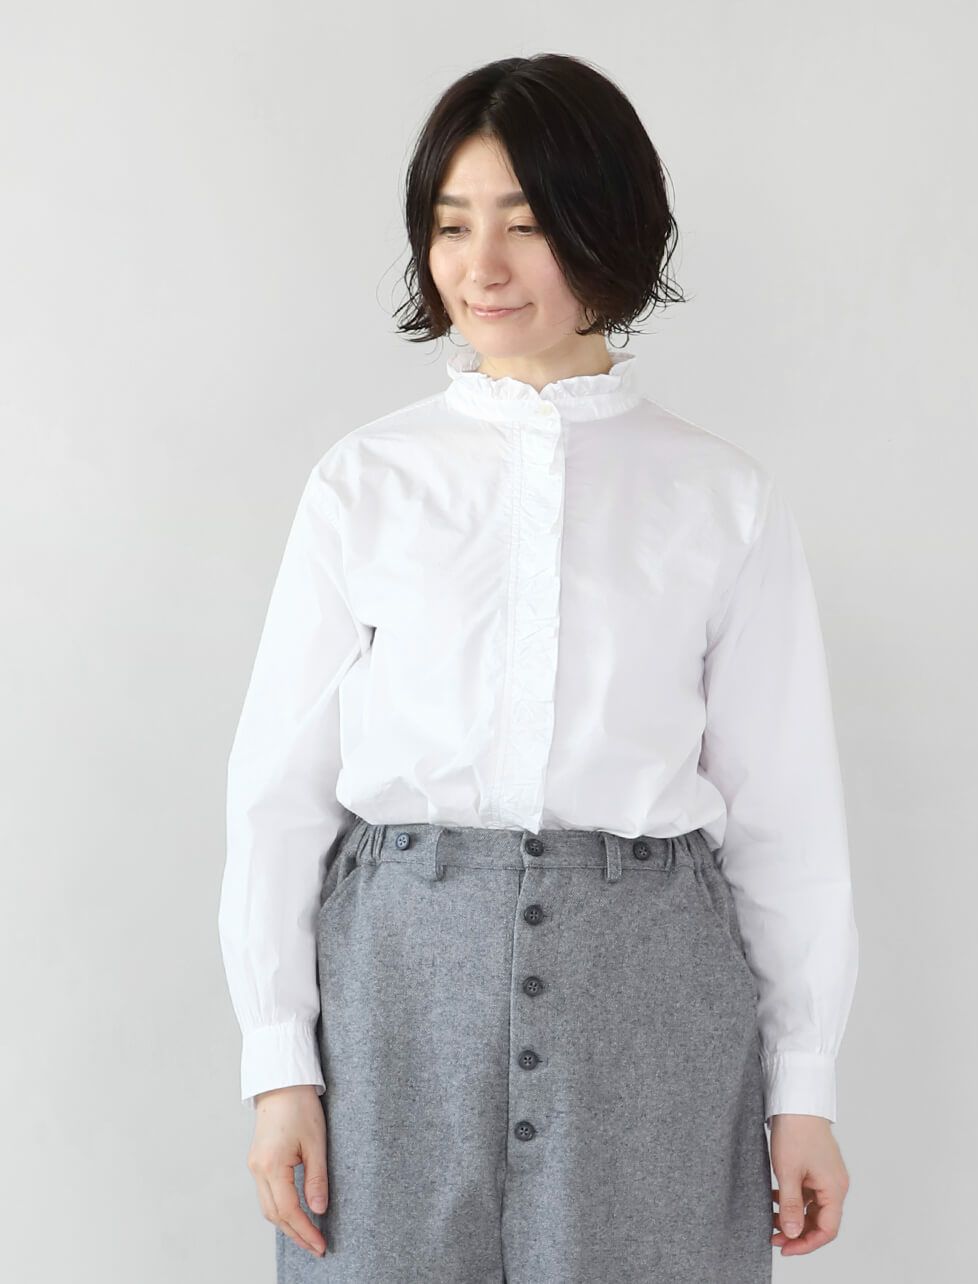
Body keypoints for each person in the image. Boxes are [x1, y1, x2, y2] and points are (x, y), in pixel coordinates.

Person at [218, 52, 859, 1283]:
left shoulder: (718, 498)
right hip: (394, 993)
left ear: (606, 226)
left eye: (523, 225)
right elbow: (276, 796)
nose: (481, 267)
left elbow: (785, 815)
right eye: (450, 225)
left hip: (653, 999)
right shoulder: (366, 482)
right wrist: (278, 1062)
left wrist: (802, 1086)